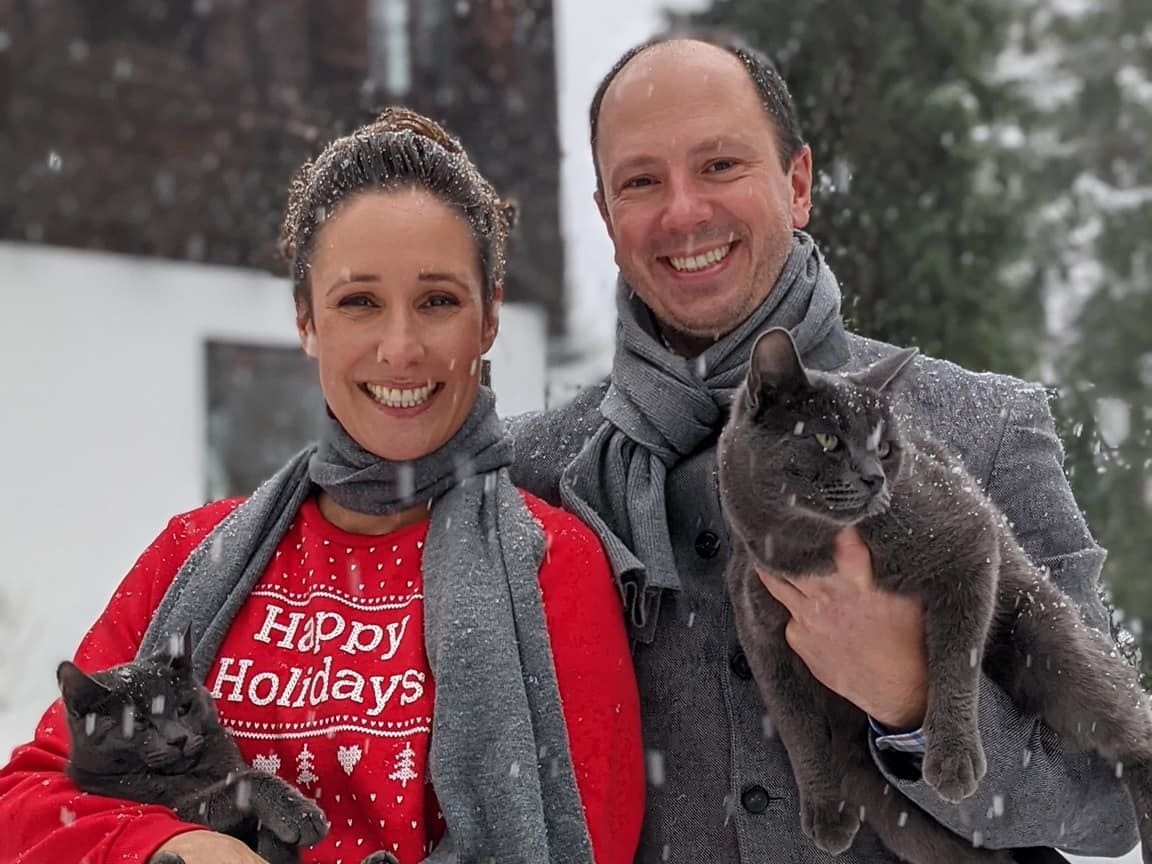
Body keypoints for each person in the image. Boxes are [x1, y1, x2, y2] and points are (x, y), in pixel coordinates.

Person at [508, 32, 1139, 864]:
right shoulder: (535, 474)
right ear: (605, 216)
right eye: (641, 181)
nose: (685, 210)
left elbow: (1108, 807)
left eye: (721, 165)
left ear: (798, 183)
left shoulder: (986, 423)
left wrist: (910, 698)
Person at [0, 108, 644, 864]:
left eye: (438, 301)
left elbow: (585, 839)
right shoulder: (194, 551)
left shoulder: (551, 564)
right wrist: (171, 849)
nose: (400, 348)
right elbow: (30, 804)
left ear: (490, 318)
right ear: (307, 318)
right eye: (358, 301)